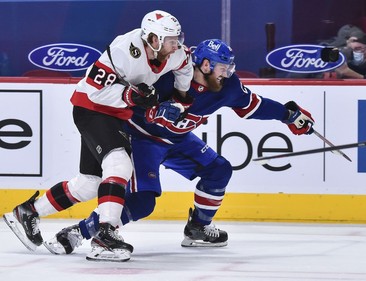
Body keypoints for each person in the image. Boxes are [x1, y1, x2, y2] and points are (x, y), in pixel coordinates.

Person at [43, 39, 316, 262]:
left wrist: (289, 115)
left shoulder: (227, 86)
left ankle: (198, 228)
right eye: (223, 68)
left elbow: (254, 105)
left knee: (218, 169)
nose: (228, 74)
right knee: (142, 203)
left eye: (230, 68)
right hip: (141, 139)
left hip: (178, 140)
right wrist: (149, 106)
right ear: (205, 64)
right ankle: (77, 233)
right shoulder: (166, 75)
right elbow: (124, 96)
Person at [3, 10, 193, 262]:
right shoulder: (124, 50)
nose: (176, 43)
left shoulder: (175, 52)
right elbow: (93, 93)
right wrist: (130, 96)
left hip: (116, 114)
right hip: (91, 108)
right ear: (153, 39)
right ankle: (105, 235)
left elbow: (184, 69)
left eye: (177, 38)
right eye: (170, 39)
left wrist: (179, 101)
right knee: (119, 164)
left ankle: (27, 212)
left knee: (90, 183)